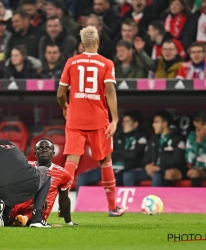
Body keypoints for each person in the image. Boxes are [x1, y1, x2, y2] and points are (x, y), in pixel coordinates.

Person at [57, 25, 124, 216]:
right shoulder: (106, 63)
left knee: (71, 161)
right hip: (98, 119)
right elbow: (110, 91)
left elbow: (61, 93)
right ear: (97, 42)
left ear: (82, 43)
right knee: (105, 162)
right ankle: (112, 207)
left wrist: (65, 107)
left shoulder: (71, 62)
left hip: (75, 118)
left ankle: (63, 203)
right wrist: (115, 118)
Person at [10, 138, 78, 226]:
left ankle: (24, 219)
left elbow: (64, 199)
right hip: (19, 207)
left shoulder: (63, 174)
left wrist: (69, 222)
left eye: (48, 148)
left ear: (53, 153)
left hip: (39, 214)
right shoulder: (26, 167)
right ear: (35, 153)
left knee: (40, 204)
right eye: (40, 148)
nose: (44, 150)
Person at [76, 111, 149, 193]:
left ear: (135, 124)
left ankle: (110, 205)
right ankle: (80, 205)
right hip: (109, 167)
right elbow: (109, 153)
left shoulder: (142, 136)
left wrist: (118, 153)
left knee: (112, 180)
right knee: (82, 177)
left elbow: (134, 155)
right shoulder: (119, 136)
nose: (123, 124)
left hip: (125, 169)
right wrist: (122, 153)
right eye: (123, 121)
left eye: (127, 121)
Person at [123, 111, 187, 187]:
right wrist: (147, 166)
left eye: (156, 122)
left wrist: (160, 167)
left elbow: (178, 160)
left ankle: (155, 198)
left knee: (157, 175)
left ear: (165, 123)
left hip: (167, 170)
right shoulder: (154, 139)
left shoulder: (177, 138)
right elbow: (145, 159)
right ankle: (133, 198)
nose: (153, 125)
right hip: (152, 169)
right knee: (128, 175)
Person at [185, 111, 206, 187]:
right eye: (203, 124)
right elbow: (189, 160)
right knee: (194, 173)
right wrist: (198, 141)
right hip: (197, 169)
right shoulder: (192, 136)